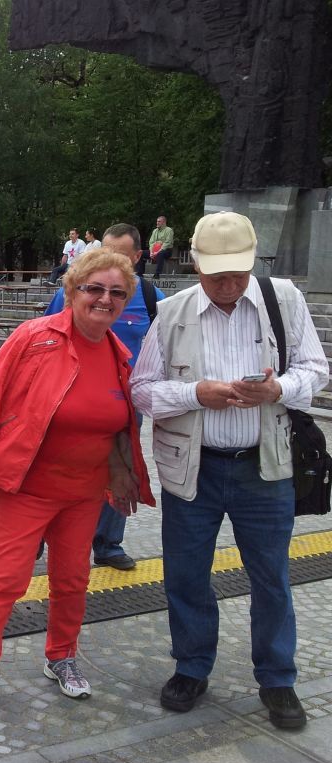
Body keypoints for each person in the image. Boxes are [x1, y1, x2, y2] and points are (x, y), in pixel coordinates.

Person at [130, 211, 328, 729]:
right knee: (186, 575)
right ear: (196, 264)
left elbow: (315, 370)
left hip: (265, 468)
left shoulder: (283, 299)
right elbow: (142, 391)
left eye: (238, 274)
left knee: (271, 577)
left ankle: (278, 677)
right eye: (216, 274)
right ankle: (192, 666)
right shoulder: (171, 312)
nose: (228, 285)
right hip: (194, 470)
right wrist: (196, 394)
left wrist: (277, 389)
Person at [0, 248, 154, 725]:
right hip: (29, 487)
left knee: (73, 578)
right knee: (6, 580)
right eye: (94, 288)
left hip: (86, 492)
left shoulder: (120, 355)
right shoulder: (34, 337)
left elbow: (123, 427)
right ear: (72, 290)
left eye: (116, 292)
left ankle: (62, 654)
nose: (105, 299)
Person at [45, 223, 165, 570]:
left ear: (137, 257)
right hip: (71, 398)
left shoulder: (151, 297)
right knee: (57, 466)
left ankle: (108, 544)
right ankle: (39, 532)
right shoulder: (74, 291)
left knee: (121, 467)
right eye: (104, 253)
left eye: (120, 256)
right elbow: (46, 335)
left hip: (123, 403)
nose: (110, 262)